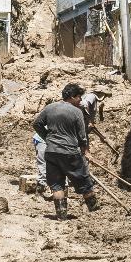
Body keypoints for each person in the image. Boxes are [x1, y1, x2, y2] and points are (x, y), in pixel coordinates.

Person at [34, 83, 99, 219]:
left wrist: (48, 138)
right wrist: (84, 150)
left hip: (51, 152)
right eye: (79, 97)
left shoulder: (50, 108)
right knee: (84, 181)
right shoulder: (76, 112)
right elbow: (82, 135)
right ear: (72, 97)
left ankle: (61, 216)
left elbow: (37, 124)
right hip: (69, 152)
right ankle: (95, 211)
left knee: (57, 184)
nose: (81, 100)